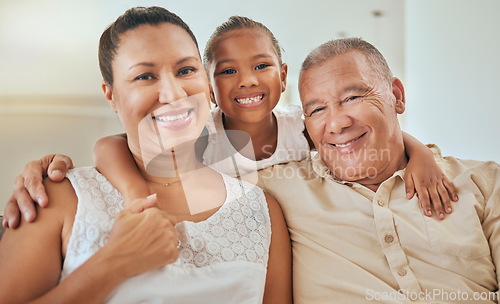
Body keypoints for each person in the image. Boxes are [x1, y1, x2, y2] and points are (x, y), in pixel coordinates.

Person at [3, 17, 458, 228]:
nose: (246, 81)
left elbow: (366, 134)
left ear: (282, 76)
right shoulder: (199, 135)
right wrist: (136, 195)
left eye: (261, 66)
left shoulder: (305, 124)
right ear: (211, 86)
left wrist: (421, 157)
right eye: (226, 71)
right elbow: (112, 144)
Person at [0, 7, 291, 304]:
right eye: (144, 76)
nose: (174, 93)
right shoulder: (55, 197)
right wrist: (113, 263)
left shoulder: (262, 212)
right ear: (111, 95)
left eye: (186, 70)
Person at [254, 37, 500, 303]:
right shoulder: (278, 188)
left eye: (351, 97)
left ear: (396, 96)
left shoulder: (485, 183)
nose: (336, 124)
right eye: (317, 110)